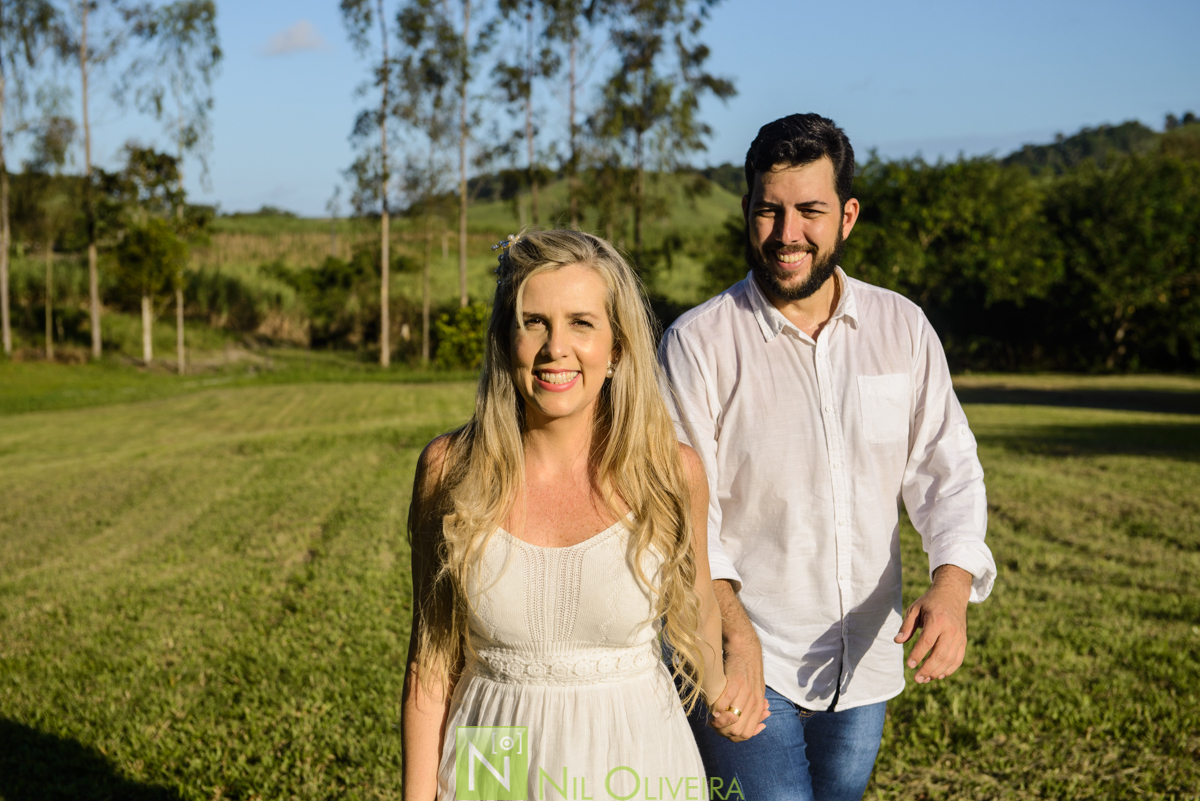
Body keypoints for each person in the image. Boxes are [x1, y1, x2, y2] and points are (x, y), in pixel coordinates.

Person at [659, 113, 998, 801]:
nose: (787, 234)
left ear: (847, 216)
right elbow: (680, 515)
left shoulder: (901, 328)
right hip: (743, 657)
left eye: (809, 211)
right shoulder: (699, 343)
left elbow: (946, 466)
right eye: (769, 210)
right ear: (747, 212)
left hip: (865, 665)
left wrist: (954, 584)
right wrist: (732, 634)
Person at [401, 229, 765, 801]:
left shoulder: (670, 472)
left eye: (581, 322)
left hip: (633, 754)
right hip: (491, 758)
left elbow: (696, 614)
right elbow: (429, 663)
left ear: (617, 347)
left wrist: (726, 690)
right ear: (504, 338)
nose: (556, 348)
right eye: (534, 322)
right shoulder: (450, 471)